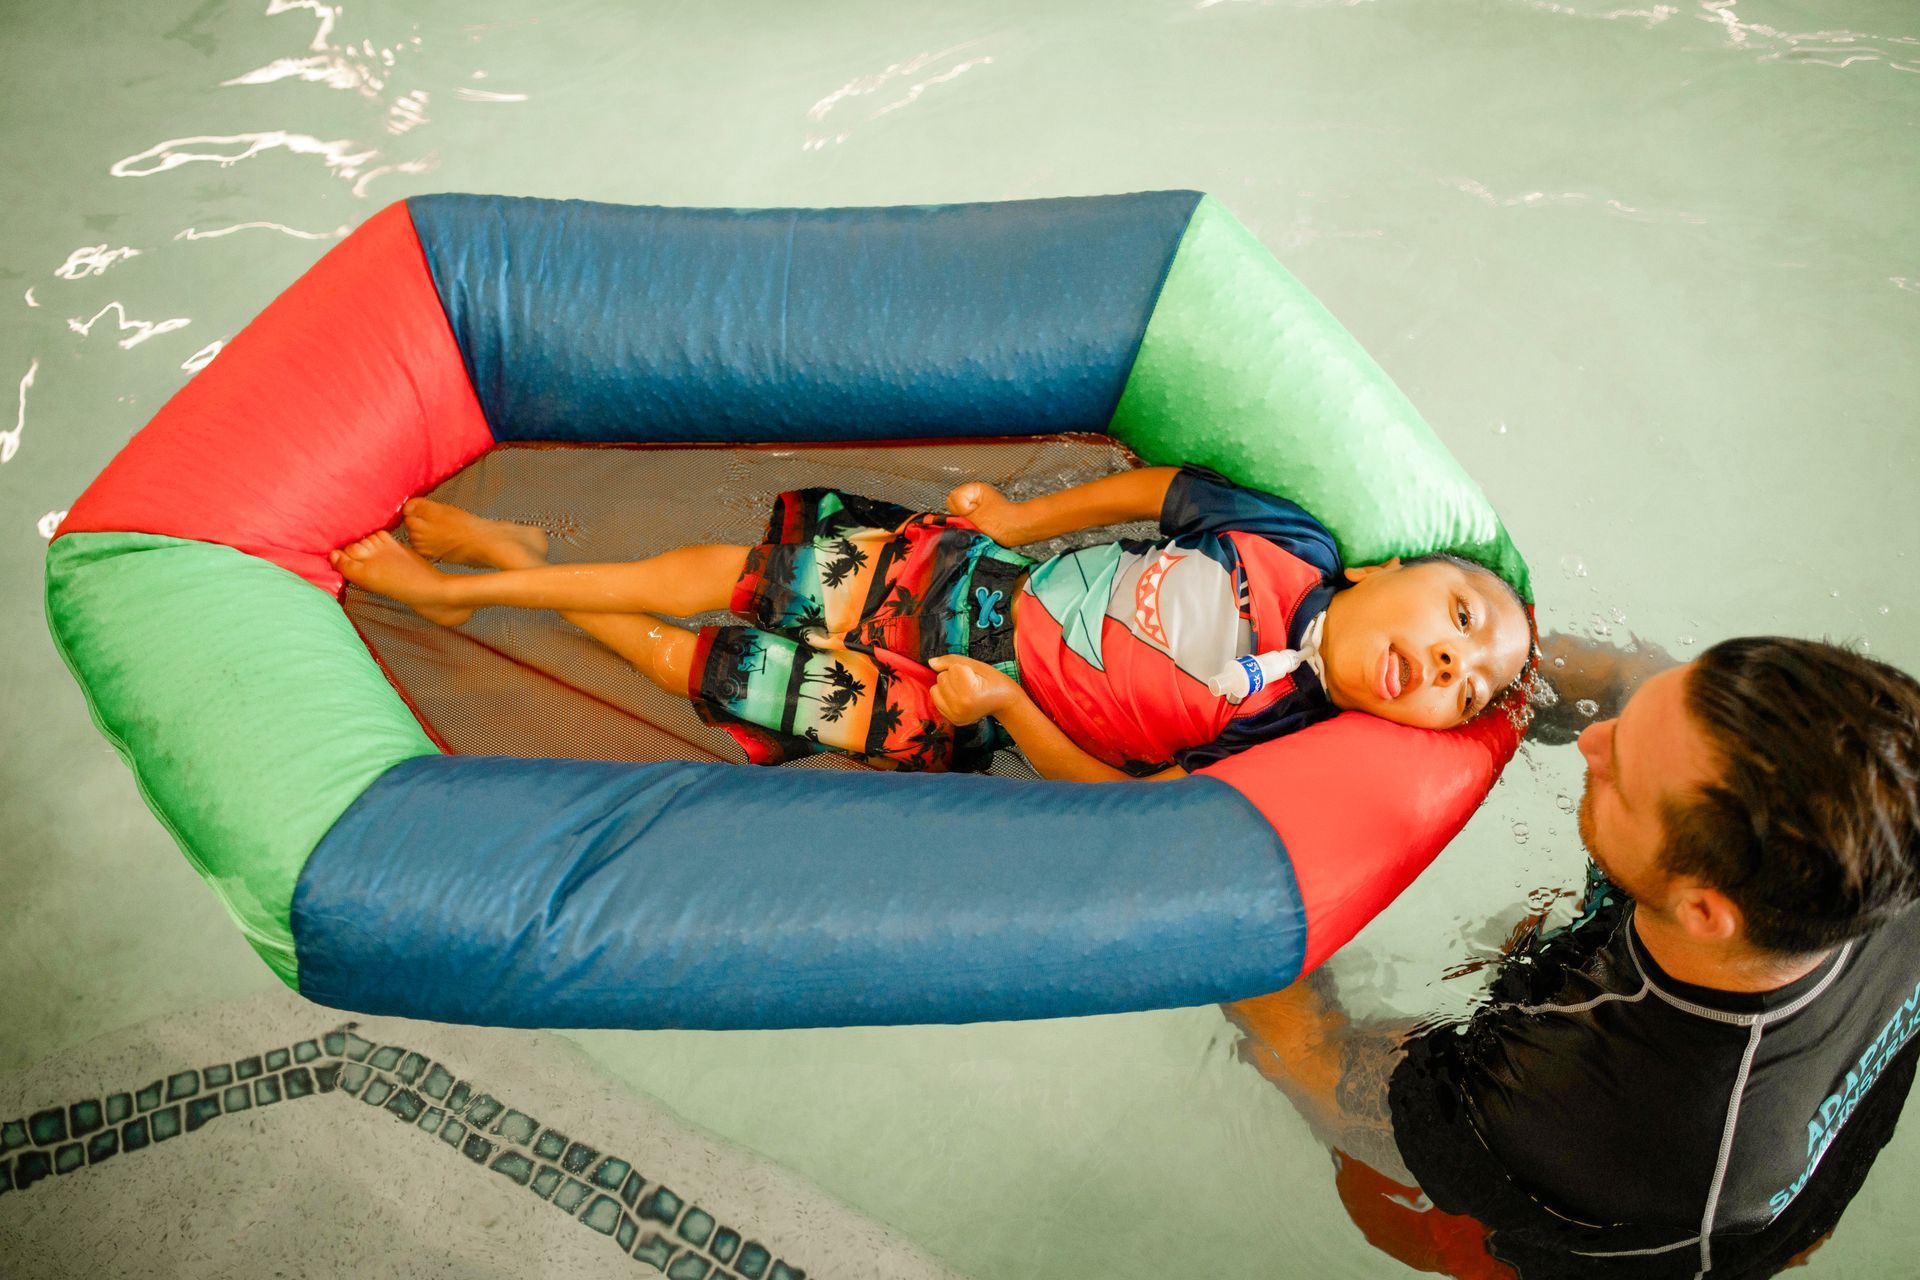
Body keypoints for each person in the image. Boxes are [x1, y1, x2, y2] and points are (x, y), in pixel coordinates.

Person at [1230, 635, 1920, 1278]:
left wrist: (1230, 853)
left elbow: (1309, 1054)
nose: (1592, 740)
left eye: (1620, 774)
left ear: (1704, 911)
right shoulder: (1877, 807)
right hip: (1803, 1166)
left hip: (1668, 1217)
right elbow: (1626, 678)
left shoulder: (1572, 1116)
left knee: (1385, 1202)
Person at [329, 464, 1534, 778]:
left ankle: (500, 553)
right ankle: (471, 583)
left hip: (953, 705)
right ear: (1391, 565)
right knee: (724, 571)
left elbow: (1128, 793)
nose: (1446, 659)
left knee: (692, 656)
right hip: (967, 582)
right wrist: (1021, 515)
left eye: (1465, 687)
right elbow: (1161, 493)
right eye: (1463, 617)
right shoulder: (1297, 547)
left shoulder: (1286, 731)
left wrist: (1008, 702)